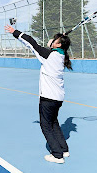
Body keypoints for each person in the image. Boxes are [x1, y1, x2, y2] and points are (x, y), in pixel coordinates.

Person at [4, 25, 72, 164]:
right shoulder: (61, 55)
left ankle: (57, 155)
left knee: (45, 125)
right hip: (58, 98)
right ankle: (64, 149)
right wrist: (60, 39)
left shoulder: (50, 55)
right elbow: (45, 46)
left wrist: (14, 32)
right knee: (53, 122)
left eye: (55, 39)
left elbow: (32, 43)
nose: (52, 40)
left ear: (58, 44)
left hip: (48, 97)